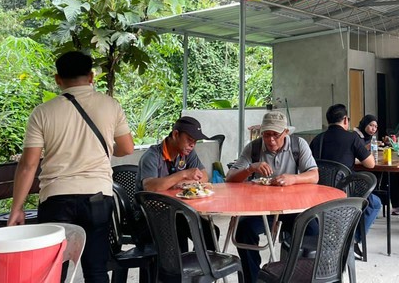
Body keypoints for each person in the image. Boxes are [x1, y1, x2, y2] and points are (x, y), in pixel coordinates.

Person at [8, 51, 134, 283]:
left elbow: (28, 164)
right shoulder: (111, 106)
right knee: (96, 270)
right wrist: (105, 149)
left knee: (55, 270)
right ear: (91, 76)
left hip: (56, 199)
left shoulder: (42, 112)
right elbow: (126, 148)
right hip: (98, 197)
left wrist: (17, 208)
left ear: (58, 79)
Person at [227, 111, 319, 283]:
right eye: (266, 134)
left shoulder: (298, 145)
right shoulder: (254, 148)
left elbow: (314, 175)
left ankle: (299, 275)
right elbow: (230, 178)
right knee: (243, 231)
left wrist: (293, 178)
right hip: (262, 209)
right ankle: (253, 279)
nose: (270, 140)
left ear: (286, 132)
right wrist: (250, 168)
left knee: (313, 229)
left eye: (275, 135)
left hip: (292, 207)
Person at [136, 115, 218, 250]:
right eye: (189, 140)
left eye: (195, 141)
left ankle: (199, 263)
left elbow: (204, 176)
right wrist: (183, 174)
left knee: (210, 232)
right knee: (178, 239)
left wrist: (181, 182)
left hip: (176, 211)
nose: (192, 145)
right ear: (175, 135)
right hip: (149, 216)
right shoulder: (152, 156)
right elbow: (150, 187)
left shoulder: (187, 153)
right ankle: (183, 263)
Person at [309, 105, 381, 259]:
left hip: (320, 193)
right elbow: (370, 164)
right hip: (345, 192)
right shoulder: (352, 138)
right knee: (375, 203)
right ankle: (352, 239)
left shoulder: (317, 139)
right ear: (345, 120)